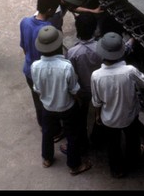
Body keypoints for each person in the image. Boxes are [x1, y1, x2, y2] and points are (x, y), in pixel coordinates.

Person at [91, 32, 144, 178]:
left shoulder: (96, 75)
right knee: (132, 137)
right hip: (129, 115)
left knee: (113, 145)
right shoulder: (130, 71)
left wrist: (97, 115)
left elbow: (96, 100)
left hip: (109, 119)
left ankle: (116, 170)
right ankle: (135, 156)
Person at [31, 26, 92, 175]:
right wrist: (79, 100)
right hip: (67, 107)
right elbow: (74, 90)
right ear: (57, 45)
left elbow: (37, 89)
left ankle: (47, 158)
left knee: (47, 132)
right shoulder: (66, 67)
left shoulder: (35, 66)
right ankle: (74, 165)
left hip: (47, 107)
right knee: (72, 135)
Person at [20, 0, 61, 128]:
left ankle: (42, 123)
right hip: (43, 74)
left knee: (37, 99)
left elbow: (24, 47)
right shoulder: (48, 30)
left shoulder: (24, 22)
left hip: (28, 69)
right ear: (50, 10)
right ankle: (53, 129)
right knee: (49, 101)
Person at [64, 12, 102, 154]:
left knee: (81, 117)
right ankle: (97, 138)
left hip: (82, 90)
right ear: (94, 29)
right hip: (99, 88)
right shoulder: (101, 47)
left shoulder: (73, 52)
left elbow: (71, 72)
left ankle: (83, 142)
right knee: (101, 114)